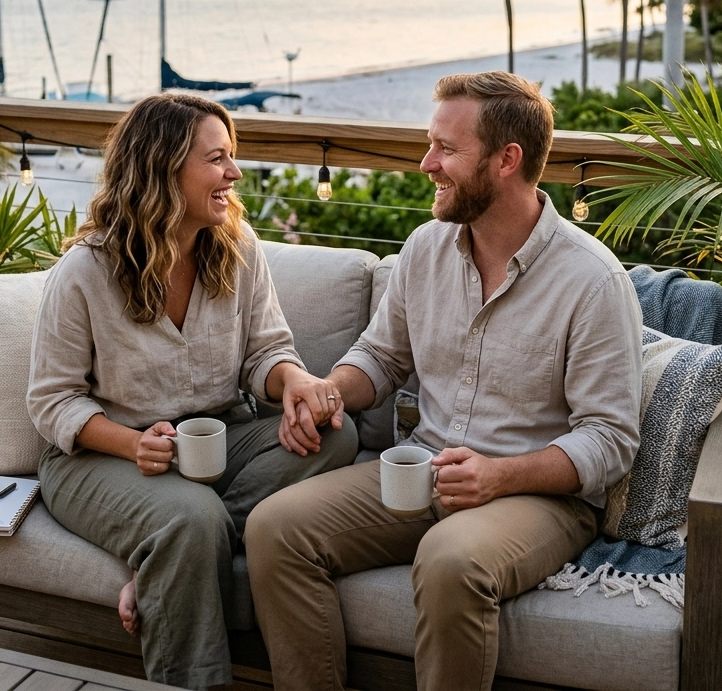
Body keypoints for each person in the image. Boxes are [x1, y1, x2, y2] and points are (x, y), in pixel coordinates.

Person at [245, 71, 643, 691]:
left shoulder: (592, 281)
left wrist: (499, 475)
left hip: (536, 497)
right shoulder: (425, 249)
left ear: (507, 160)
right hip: (422, 470)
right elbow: (380, 356)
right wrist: (327, 392)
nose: (426, 163)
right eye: (430, 144)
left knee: (452, 559)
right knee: (275, 529)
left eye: (447, 150)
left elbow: (610, 440)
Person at [27, 93, 357, 691]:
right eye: (217, 159)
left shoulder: (238, 247)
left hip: (217, 440)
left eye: (232, 158)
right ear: (163, 168)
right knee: (193, 517)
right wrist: (133, 446)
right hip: (100, 457)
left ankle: (162, 565)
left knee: (337, 435)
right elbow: (53, 402)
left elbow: (266, 354)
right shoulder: (85, 271)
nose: (233, 173)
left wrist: (299, 383)